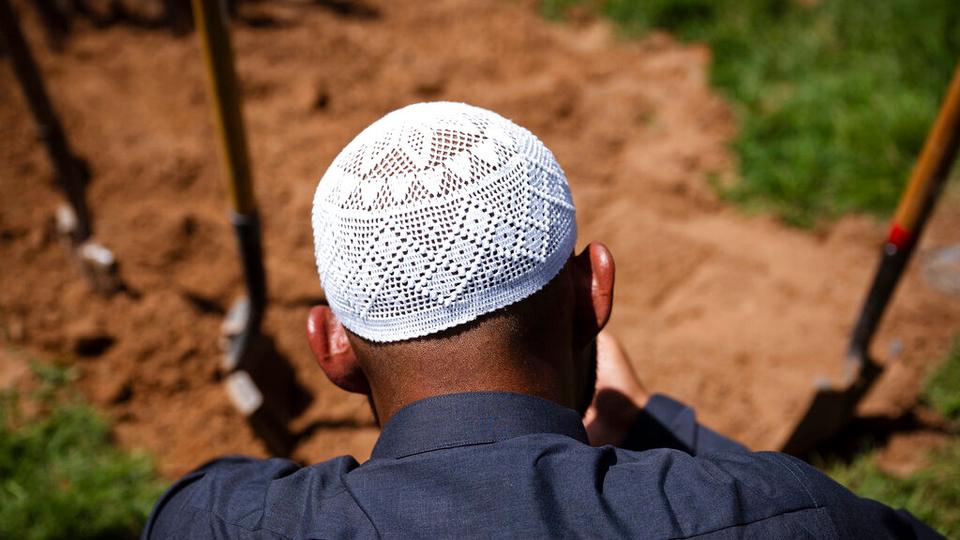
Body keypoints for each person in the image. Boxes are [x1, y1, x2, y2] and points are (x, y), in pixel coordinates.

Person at [142, 102, 941, 539]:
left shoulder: (215, 521)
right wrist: (656, 427)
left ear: (333, 349)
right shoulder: (780, 516)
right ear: (596, 291)